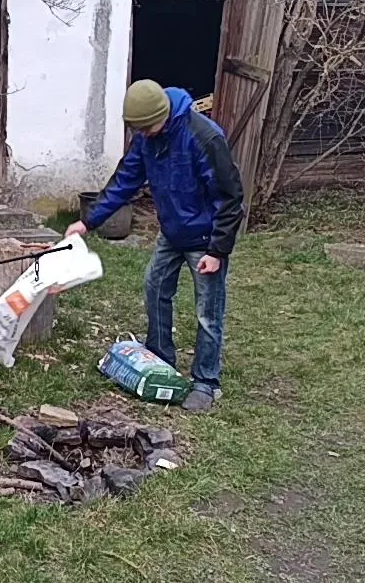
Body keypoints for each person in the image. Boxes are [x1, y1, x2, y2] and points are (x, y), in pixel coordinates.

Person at [67, 80, 244, 411]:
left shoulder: (204, 137)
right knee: (155, 287)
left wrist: (218, 250)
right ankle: (161, 358)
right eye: (138, 129)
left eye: (146, 128)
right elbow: (124, 181)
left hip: (206, 239)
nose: (143, 134)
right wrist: (88, 221)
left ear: (162, 116)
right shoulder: (146, 138)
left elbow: (230, 197)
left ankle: (206, 382)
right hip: (172, 233)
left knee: (208, 311)